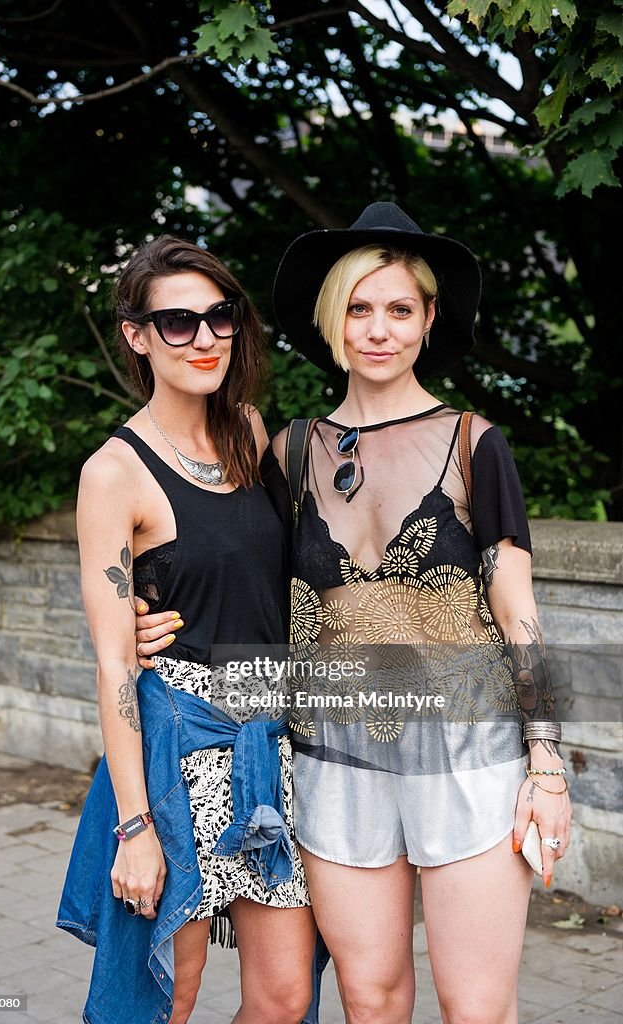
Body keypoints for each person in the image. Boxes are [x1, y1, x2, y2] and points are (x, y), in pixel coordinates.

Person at [138, 202, 572, 1024]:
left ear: (428, 319)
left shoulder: (474, 442)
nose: (379, 329)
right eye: (359, 308)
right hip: (331, 762)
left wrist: (545, 766)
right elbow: (232, 574)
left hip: (468, 754)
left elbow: (518, 610)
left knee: (475, 1007)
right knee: (369, 1000)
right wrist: (146, 620)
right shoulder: (288, 449)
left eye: (399, 309)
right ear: (333, 320)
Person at [57, 236, 314, 1024]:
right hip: (182, 748)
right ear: (136, 335)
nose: (203, 338)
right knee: (172, 993)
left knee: (283, 996)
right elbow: (113, 668)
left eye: (218, 316)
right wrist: (134, 827)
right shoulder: (114, 472)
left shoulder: (247, 428)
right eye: (176, 322)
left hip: (268, 748)